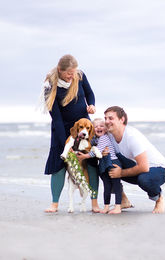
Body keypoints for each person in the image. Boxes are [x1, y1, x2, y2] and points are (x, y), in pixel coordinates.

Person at [42, 54, 98, 213]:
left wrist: (92, 105)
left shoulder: (79, 75)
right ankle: (54, 204)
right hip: (62, 128)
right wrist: (66, 143)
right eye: (68, 74)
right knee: (59, 163)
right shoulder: (49, 86)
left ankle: (94, 203)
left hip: (84, 127)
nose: (71, 76)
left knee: (91, 163)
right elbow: (57, 119)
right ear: (60, 70)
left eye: (73, 73)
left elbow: (89, 93)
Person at [104, 106, 165, 214]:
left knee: (144, 180)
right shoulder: (110, 136)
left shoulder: (131, 136)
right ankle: (123, 200)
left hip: (159, 169)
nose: (107, 121)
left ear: (122, 120)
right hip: (138, 168)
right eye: (105, 118)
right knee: (104, 165)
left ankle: (159, 198)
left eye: (111, 118)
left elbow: (144, 167)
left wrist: (121, 173)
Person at [78, 118, 122, 214]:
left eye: (101, 126)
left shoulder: (104, 138)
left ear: (106, 129)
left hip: (113, 163)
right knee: (107, 186)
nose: (98, 128)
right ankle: (106, 207)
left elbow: (96, 151)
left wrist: (84, 156)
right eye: (96, 126)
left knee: (116, 185)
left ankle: (118, 206)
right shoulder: (96, 139)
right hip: (104, 164)